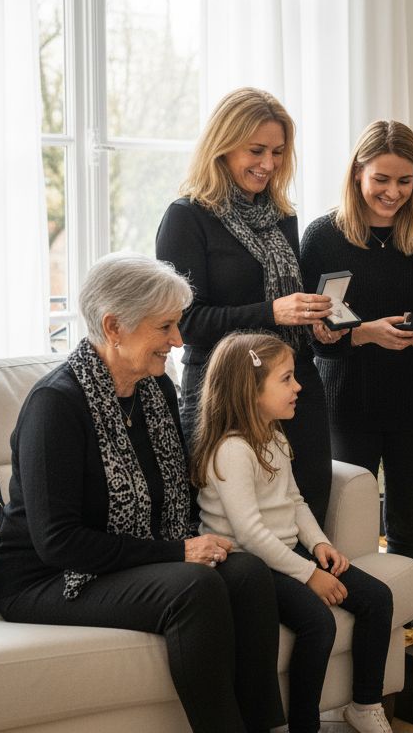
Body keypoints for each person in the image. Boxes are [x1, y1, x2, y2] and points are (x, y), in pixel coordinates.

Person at [0, 253, 284, 733]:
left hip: (133, 556)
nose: (177, 340)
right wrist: (178, 551)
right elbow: (57, 542)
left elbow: (179, 492)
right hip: (49, 577)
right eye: (165, 327)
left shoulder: (156, 391)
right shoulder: (55, 406)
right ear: (114, 326)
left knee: (248, 572)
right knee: (194, 585)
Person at [192, 332, 394, 733]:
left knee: (377, 598)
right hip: (248, 564)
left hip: (285, 553)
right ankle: (305, 725)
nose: (299, 385)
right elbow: (249, 533)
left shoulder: (273, 435)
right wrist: (308, 575)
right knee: (318, 623)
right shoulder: (233, 450)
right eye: (286, 379)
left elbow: (295, 502)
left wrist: (319, 544)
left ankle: (365, 703)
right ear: (251, 390)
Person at [156, 87, 342, 523]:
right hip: (223, 394)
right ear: (222, 146)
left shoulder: (281, 215)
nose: (269, 164)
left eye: (278, 152)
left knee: (307, 519)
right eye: (256, 150)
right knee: (232, 529)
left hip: (295, 386)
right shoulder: (187, 217)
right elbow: (184, 323)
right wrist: (271, 312)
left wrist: (315, 324)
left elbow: (290, 307)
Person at [299, 120, 413, 569]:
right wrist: (364, 332)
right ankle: (356, 626)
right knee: (346, 531)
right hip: (347, 403)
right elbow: (313, 337)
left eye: (405, 181)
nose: (393, 192)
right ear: (357, 172)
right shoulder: (323, 237)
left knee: (408, 527)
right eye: (382, 179)